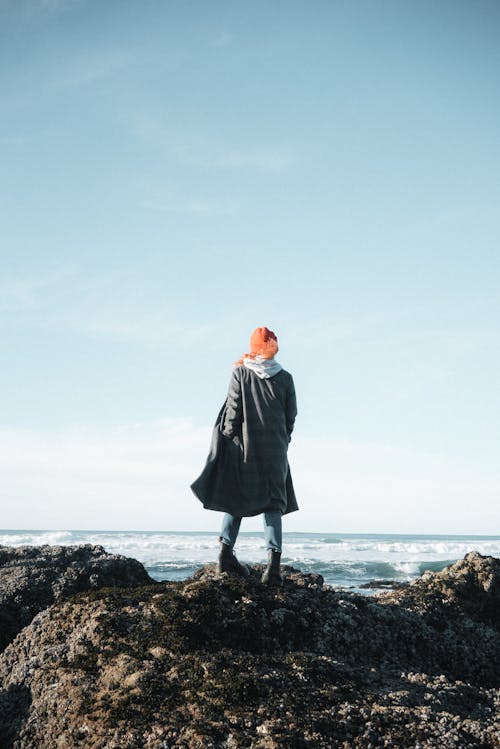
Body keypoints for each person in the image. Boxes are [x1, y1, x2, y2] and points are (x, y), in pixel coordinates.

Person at [191, 326, 298, 585]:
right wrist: (284, 440)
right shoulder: (285, 378)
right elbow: (291, 416)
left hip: (245, 450)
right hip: (275, 453)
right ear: (274, 346)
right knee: (274, 505)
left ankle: (225, 555)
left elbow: (233, 411)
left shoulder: (240, 373)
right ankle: (272, 569)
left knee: (235, 499)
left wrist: (227, 437)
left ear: (253, 347)